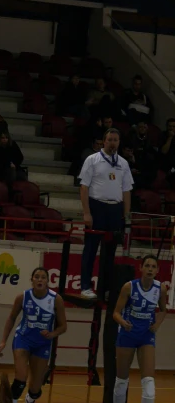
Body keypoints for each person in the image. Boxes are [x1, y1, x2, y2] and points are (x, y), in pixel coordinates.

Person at [108, 255, 167, 403]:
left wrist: (157, 324)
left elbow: (163, 309)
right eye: (147, 266)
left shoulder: (161, 288)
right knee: (121, 381)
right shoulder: (129, 287)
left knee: (149, 382)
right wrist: (122, 322)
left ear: (157, 270)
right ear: (140, 268)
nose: (150, 269)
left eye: (154, 266)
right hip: (127, 334)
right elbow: (115, 312)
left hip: (146, 336)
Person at [0, 268, 67, 403]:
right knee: (20, 379)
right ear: (32, 280)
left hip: (42, 344)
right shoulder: (23, 297)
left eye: (43, 277)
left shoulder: (56, 299)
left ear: (47, 281)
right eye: (37, 277)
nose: (40, 280)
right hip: (23, 338)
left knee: (35, 387)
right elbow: (11, 318)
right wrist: (3, 341)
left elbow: (63, 326)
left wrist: (52, 334)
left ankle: (30, 401)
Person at [78, 128, 133, 300]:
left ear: (119, 142)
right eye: (109, 139)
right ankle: (85, 286)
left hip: (115, 209)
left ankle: (105, 289)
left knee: (110, 252)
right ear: (104, 141)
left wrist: (126, 215)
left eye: (116, 140)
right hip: (97, 207)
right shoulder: (92, 160)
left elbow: (126, 190)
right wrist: (87, 213)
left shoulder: (123, 163)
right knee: (91, 249)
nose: (112, 143)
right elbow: (84, 187)